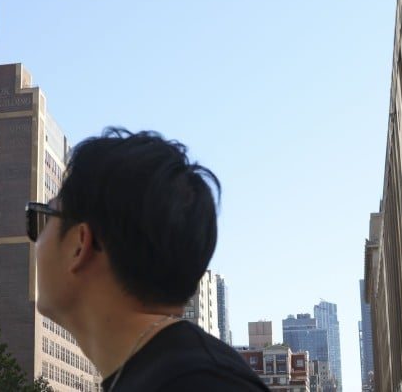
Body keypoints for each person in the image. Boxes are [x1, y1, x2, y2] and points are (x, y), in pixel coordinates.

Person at [28, 128, 270, 391]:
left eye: (42, 218)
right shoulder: (183, 371)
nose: (35, 242)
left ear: (80, 243)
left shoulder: (196, 383)